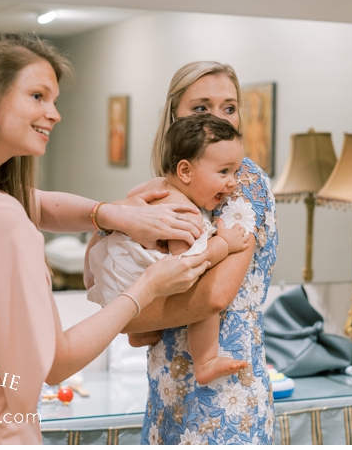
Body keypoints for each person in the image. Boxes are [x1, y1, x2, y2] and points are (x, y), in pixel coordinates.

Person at [0, 31, 212, 444]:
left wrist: (109, 213)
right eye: (38, 96)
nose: (55, 113)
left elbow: (34, 202)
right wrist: (146, 288)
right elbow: (56, 362)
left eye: (54, 100)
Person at [108, 60, 279, 444]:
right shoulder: (178, 186)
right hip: (168, 385)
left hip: (224, 393)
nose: (220, 119)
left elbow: (214, 296)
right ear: (174, 117)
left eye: (229, 107)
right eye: (201, 108)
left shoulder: (241, 182)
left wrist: (129, 315)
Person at [87, 114, 256, 386]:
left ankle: (140, 335)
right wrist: (224, 244)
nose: (233, 182)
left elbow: (130, 200)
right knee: (201, 289)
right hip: (130, 287)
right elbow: (187, 264)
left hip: (109, 276)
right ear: (185, 171)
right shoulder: (184, 211)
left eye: (236, 172)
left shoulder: (154, 186)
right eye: (224, 172)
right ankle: (206, 361)